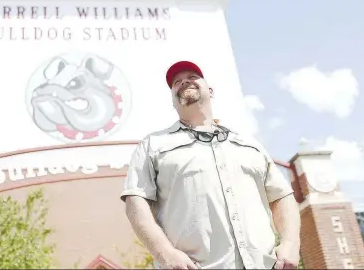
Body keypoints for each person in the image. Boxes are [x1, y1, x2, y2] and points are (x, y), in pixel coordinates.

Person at [120, 61, 301, 269]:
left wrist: (290, 243)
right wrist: (165, 254)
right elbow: (136, 203)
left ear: (210, 90)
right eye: (177, 82)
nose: (184, 81)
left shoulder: (250, 145)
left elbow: (281, 196)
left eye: (192, 77)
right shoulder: (153, 145)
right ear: (173, 101)